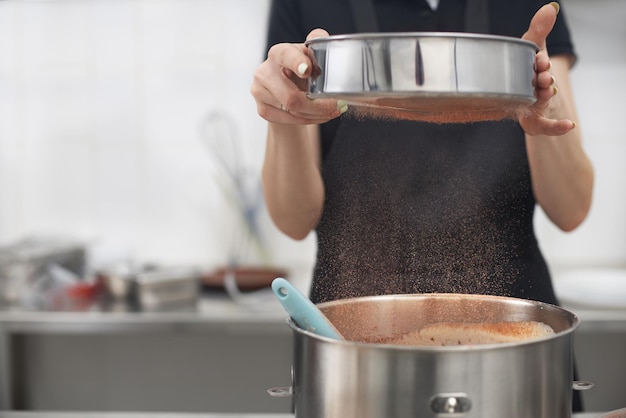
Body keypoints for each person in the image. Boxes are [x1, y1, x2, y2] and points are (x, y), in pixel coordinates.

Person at [251, 1, 593, 408]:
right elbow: (292, 219)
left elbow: (571, 208)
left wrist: (547, 104)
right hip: (351, 345)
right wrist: (287, 111)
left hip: (517, 349)